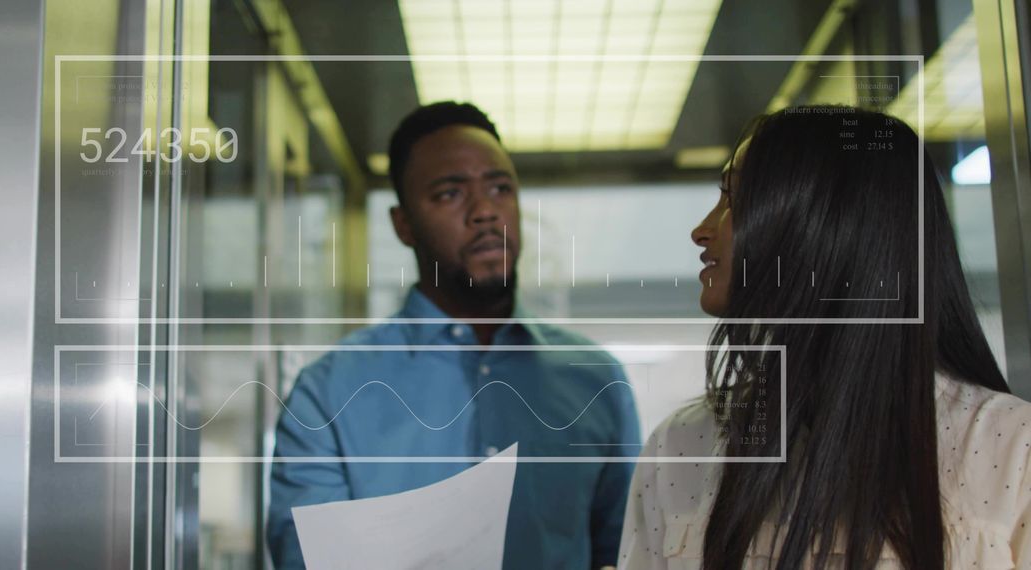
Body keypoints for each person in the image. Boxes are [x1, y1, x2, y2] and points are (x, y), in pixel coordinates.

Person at [618, 106, 1031, 568]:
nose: (703, 230)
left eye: (735, 199)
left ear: (830, 226)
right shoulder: (680, 446)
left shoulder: (1013, 449)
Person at [268, 101, 641, 570]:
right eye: (449, 194)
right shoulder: (328, 392)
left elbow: (628, 551)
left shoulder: (595, 380)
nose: (485, 211)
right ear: (403, 225)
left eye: (501, 188)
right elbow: (306, 559)